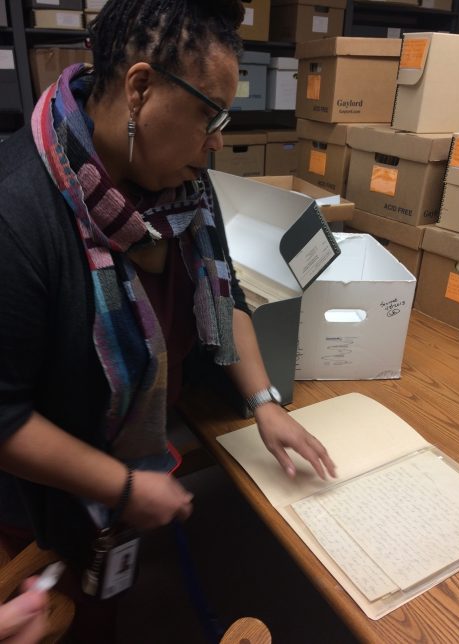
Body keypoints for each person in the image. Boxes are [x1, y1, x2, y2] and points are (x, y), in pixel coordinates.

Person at [0, 0, 336, 638]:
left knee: (109, 608)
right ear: (139, 88)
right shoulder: (19, 214)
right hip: (49, 503)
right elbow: (5, 417)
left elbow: (225, 292)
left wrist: (265, 402)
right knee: (62, 622)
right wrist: (123, 484)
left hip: (130, 477)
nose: (217, 141)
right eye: (208, 115)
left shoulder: (183, 183)